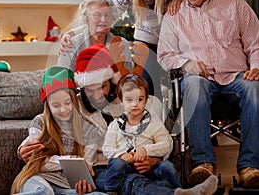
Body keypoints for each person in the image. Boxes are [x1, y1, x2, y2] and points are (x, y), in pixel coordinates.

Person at [18, 45, 218, 195]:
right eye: (91, 89)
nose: (97, 95)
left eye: (102, 87)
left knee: (163, 170)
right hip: (105, 169)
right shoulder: (73, 107)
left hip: (139, 160)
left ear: (111, 82)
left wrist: (152, 158)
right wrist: (23, 149)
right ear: (81, 88)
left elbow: (162, 139)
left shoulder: (132, 102)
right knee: (130, 179)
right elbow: (46, 118)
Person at [157, 0, 259, 188]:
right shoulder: (174, 15)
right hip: (201, 82)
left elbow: (257, 45)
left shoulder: (235, 5)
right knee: (194, 84)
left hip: (236, 78)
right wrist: (187, 63)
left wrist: (257, 68)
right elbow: (165, 55)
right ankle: (203, 163)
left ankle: (250, 166)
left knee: (256, 88)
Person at [11, 66, 105, 195]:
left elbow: (86, 167)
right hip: (38, 179)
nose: (63, 109)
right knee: (44, 191)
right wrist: (68, 160)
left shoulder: (89, 130)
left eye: (68, 103)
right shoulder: (39, 122)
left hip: (66, 187)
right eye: (56, 105)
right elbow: (37, 162)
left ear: (75, 100)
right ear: (48, 106)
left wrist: (85, 182)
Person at [113, 0, 183, 98]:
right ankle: (152, 116)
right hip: (146, 40)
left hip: (173, 41)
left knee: (180, 84)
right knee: (148, 84)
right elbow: (109, 12)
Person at [102, 73, 178, 194]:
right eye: (129, 100)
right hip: (125, 169)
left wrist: (146, 150)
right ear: (121, 100)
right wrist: (121, 155)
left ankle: (177, 191)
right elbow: (107, 148)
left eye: (140, 99)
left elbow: (165, 144)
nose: (135, 104)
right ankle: (112, 191)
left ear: (146, 100)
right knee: (116, 164)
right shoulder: (115, 125)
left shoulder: (153, 123)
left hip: (148, 166)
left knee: (167, 167)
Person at [57, 0, 132, 74]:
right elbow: (63, 80)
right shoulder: (70, 44)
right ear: (86, 17)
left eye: (107, 15)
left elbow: (127, 81)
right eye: (97, 15)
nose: (103, 20)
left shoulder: (121, 44)